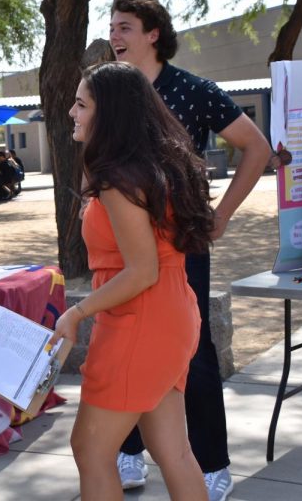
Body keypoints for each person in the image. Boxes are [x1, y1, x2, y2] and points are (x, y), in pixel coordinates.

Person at [109, 0, 270, 501]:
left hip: (181, 243)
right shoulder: (112, 91)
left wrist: (221, 216)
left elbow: (257, 147)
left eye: (125, 27)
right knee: (124, 342)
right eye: (112, 27)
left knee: (192, 351)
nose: (115, 35)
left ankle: (212, 465)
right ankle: (128, 453)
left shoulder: (194, 91)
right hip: (121, 242)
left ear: (153, 33)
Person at [51, 61, 214, 500]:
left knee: (90, 449)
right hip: (169, 313)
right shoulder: (147, 167)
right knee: (173, 450)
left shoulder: (119, 180)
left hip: (139, 319)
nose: (71, 112)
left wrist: (77, 311)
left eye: (82, 104)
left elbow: (143, 271)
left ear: (110, 114)